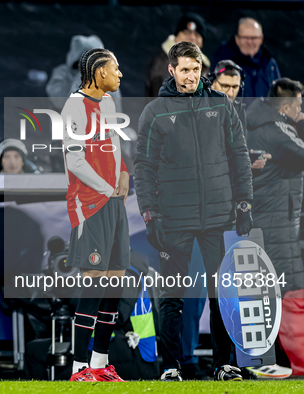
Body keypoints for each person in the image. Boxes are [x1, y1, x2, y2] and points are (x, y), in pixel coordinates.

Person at [135, 41, 253, 381]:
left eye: (196, 69)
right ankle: (171, 366)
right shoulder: (155, 111)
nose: (191, 76)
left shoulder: (221, 106)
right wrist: (149, 214)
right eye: (185, 69)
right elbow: (143, 167)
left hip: (217, 218)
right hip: (173, 220)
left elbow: (239, 156)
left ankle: (223, 363)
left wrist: (244, 202)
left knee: (221, 296)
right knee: (174, 295)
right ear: (172, 70)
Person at [61, 48, 128, 383]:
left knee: (114, 282)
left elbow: (113, 146)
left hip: (113, 202)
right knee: (93, 286)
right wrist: (106, 187)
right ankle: (78, 369)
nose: (120, 74)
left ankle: (99, 364)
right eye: (115, 68)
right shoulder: (74, 106)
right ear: (100, 72)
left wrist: (124, 173)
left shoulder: (109, 103)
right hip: (89, 203)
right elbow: (74, 161)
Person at [246, 78, 304, 375]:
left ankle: (274, 362)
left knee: (270, 294)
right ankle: (295, 364)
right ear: (285, 107)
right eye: (299, 106)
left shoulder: (257, 122)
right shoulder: (276, 131)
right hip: (279, 224)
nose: (302, 113)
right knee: (290, 293)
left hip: (267, 219)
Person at [209, 59, 271, 169]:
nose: (230, 93)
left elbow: (239, 147)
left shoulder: (238, 110)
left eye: (235, 87)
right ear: (212, 84)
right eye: (225, 86)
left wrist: (249, 158)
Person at [212, 17, 280, 101]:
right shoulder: (222, 62)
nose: (250, 42)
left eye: (254, 38)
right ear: (237, 39)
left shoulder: (270, 64)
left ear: (261, 39)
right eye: (245, 37)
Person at [145, 13, 211, 98]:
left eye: (197, 35)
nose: (191, 37)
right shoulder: (162, 64)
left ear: (202, 42)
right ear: (176, 37)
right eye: (186, 32)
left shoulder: (204, 66)